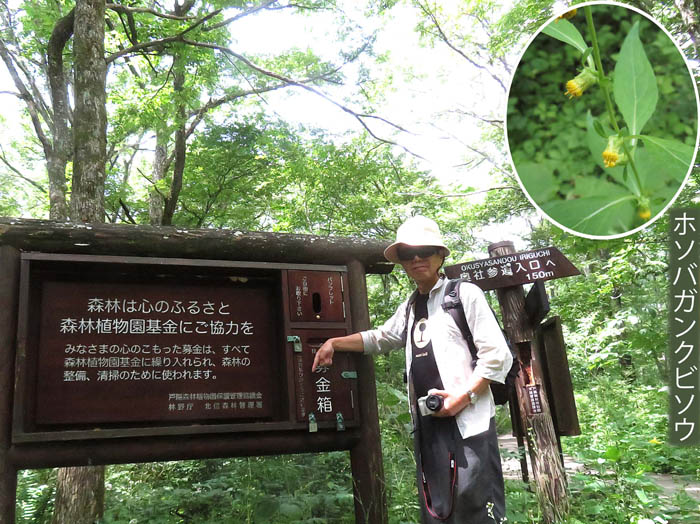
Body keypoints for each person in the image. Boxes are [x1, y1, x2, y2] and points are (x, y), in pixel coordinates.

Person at [312, 215, 512, 524]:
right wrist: (335, 342)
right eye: (408, 254)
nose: (417, 259)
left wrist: (463, 397)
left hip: (468, 422)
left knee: (473, 507)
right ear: (402, 262)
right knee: (437, 509)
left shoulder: (464, 295)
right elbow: (384, 336)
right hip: (428, 423)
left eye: (425, 251)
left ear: (440, 255)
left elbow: (497, 356)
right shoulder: (410, 305)